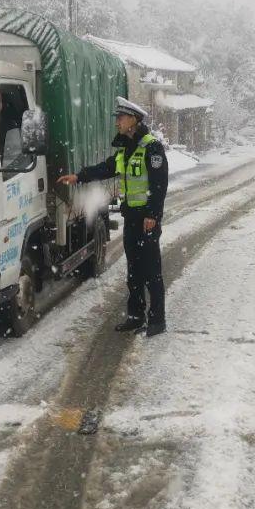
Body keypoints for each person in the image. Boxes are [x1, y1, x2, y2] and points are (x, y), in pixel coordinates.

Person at [58, 96, 169, 336]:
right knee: (134, 271)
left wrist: (153, 214)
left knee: (151, 271)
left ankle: (157, 320)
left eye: (121, 118)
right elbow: (106, 168)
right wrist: (79, 176)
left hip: (147, 220)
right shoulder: (125, 150)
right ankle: (135, 316)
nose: (117, 122)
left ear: (134, 120)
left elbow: (159, 184)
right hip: (132, 218)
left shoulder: (152, 147)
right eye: (117, 118)